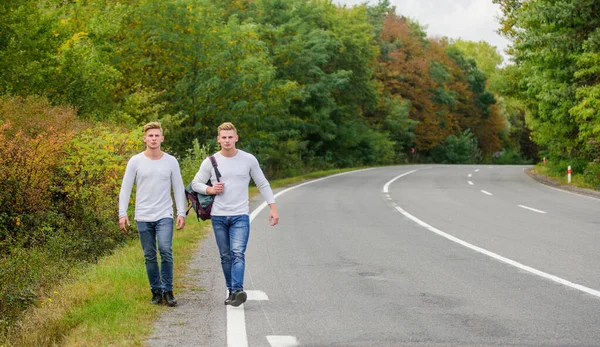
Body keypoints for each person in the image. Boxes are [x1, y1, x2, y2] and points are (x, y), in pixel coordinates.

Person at [192, 122, 279, 307]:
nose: (227, 140)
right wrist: (210, 189)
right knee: (225, 255)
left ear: (236, 138)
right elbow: (195, 184)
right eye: (223, 137)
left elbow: (262, 183)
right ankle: (231, 291)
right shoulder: (210, 161)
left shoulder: (248, 159)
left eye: (230, 137)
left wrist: (272, 207)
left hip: (240, 215)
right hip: (218, 216)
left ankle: (238, 290)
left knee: (237, 253)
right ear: (218, 139)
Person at [118, 121, 186, 307]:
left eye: (157, 135)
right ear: (145, 138)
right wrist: (122, 213)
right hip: (143, 215)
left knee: (165, 249)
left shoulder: (171, 161)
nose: (154, 139)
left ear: (162, 138)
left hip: (164, 214)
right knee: (149, 255)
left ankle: (168, 291)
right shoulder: (135, 161)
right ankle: (156, 291)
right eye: (150, 135)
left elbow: (178, 188)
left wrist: (181, 212)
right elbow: (125, 189)